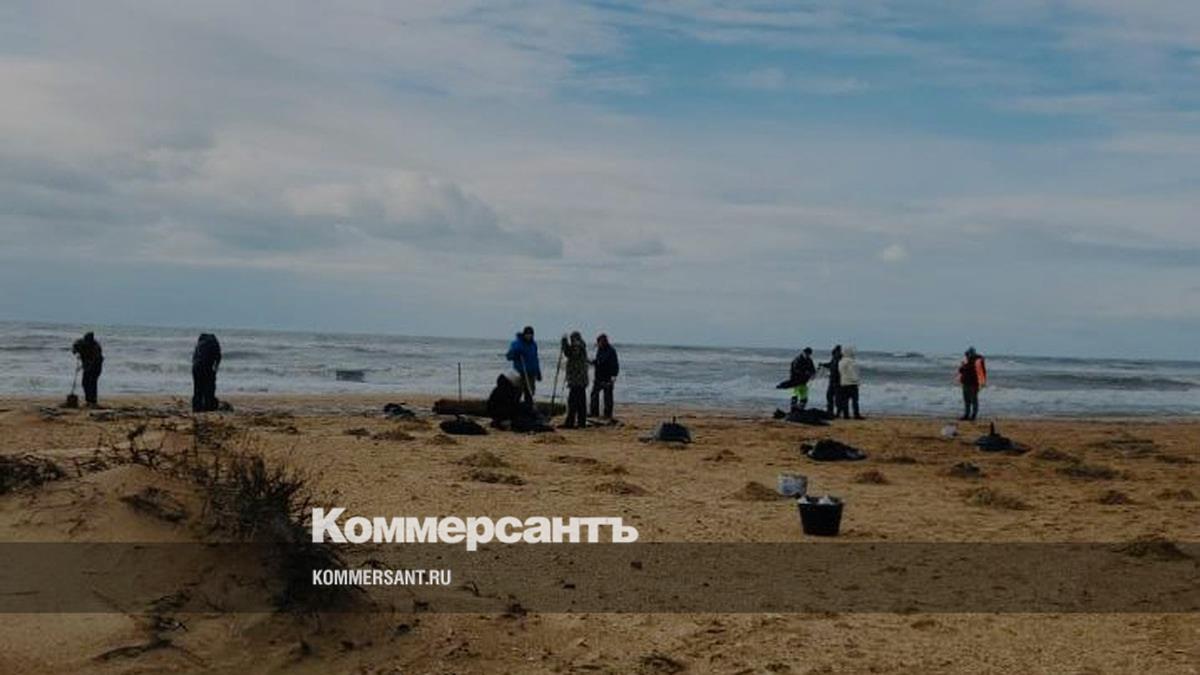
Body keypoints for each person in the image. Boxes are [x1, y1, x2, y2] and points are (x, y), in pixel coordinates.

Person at [505, 326, 541, 406]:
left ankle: (528, 409)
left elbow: (535, 359)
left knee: (530, 394)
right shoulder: (517, 343)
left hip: (531, 374)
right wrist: (516, 353)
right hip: (520, 373)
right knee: (517, 393)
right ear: (524, 334)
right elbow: (508, 356)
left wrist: (538, 372)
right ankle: (513, 409)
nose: (529, 336)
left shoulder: (533, 345)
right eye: (527, 334)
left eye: (531, 334)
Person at [560, 331, 589, 428]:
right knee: (581, 402)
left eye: (573, 339)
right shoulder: (581, 346)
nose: (573, 341)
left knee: (573, 402)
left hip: (577, 380)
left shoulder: (578, 346)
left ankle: (570, 422)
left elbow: (569, 353)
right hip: (580, 380)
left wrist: (564, 343)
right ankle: (581, 422)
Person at [590, 333, 620, 419]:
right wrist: (592, 362)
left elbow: (614, 364)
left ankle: (607, 415)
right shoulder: (600, 349)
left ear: (603, 342)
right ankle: (594, 413)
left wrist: (614, 376)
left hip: (607, 377)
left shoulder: (611, 351)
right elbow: (598, 361)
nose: (598, 344)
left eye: (599, 342)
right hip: (598, 377)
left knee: (608, 397)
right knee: (594, 395)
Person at [71, 331, 104, 407]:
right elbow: (74, 348)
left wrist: (84, 366)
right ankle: (88, 401)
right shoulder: (81, 343)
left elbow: (95, 360)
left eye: (88, 340)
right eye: (86, 340)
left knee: (92, 383)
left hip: (96, 367)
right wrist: (76, 351)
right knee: (85, 383)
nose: (87, 342)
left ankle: (92, 402)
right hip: (87, 366)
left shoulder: (96, 347)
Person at [192, 333, 222, 412]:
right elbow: (218, 357)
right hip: (207, 367)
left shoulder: (199, 343)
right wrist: (215, 370)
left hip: (196, 367)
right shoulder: (214, 343)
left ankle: (196, 407)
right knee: (209, 388)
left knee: (197, 389)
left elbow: (194, 358)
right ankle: (209, 406)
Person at [957, 346, 987, 421]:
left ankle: (973, 416)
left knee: (974, 400)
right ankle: (966, 415)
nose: (968, 355)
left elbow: (982, 372)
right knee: (966, 400)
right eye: (967, 354)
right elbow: (961, 370)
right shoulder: (966, 361)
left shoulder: (978, 361)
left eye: (969, 354)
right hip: (965, 383)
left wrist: (982, 383)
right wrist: (962, 367)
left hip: (974, 384)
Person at [837, 345, 863, 419]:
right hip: (852, 383)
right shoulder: (851, 361)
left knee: (845, 400)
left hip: (844, 383)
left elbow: (840, 372)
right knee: (855, 401)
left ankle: (846, 415)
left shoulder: (841, 361)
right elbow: (853, 373)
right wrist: (857, 381)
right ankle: (856, 414)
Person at [788, 347, 816, 412]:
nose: (807, 355)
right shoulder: (797, 359)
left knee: (804, 396)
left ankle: (801, 408)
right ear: (803, 352)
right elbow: (795, 369)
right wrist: (805, 372)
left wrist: (813, 374)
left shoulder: (809, 360)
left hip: (804, 381)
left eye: (809, 354)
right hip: (796, 380)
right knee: (795, 394)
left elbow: (813, 369)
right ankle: (793, 409)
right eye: (806, 353)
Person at [820, 345, 843, 415]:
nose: (835, 353)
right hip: (832, 380)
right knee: (829, 396)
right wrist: (823, 365)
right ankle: (830, 411)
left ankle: (838, 412)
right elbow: (830, 365)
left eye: (837, 351)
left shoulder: (841, 359)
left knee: (838, 398)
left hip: (838, 381)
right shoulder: (834, 358)